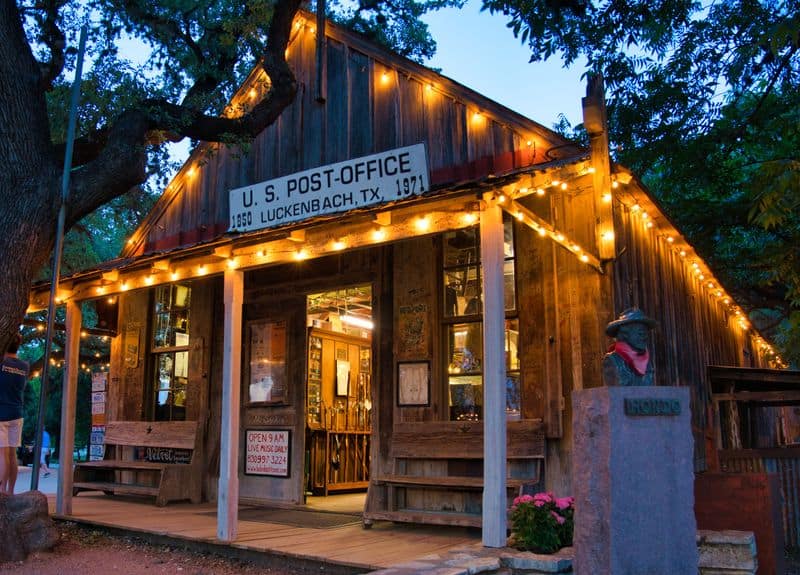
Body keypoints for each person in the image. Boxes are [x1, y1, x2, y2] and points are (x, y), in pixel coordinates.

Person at [0, 333, 30, 494]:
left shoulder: (1, 362)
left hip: (1, 414)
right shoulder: (24, 366)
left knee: (2, 455)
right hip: (17, 413)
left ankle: (2, 491)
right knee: (12, 454)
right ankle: (11, 491)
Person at [602, 308, 657, 387]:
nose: (644, 337)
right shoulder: (612, 360)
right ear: (625, 334)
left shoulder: (647, 362)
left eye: (645, 334)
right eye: (640, 333)